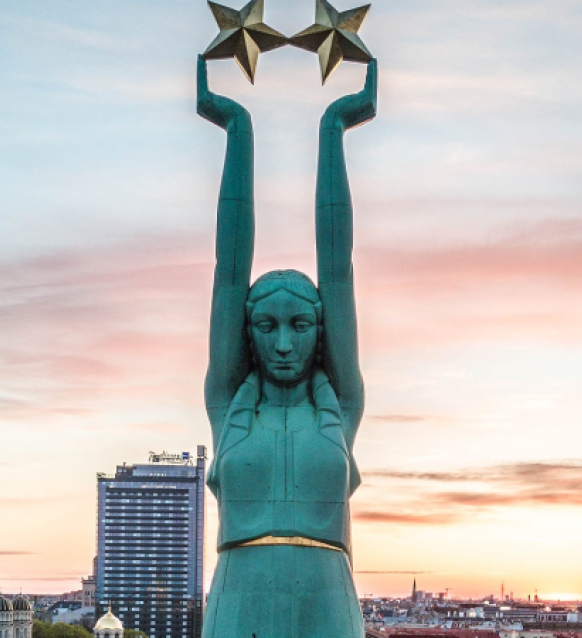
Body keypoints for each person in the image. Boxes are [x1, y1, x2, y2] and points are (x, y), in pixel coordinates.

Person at [197, 53, 377, 638]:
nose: (281, 343)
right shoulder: (228, 407)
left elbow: (339, 270)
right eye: (265, 326)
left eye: (300, 326)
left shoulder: (341, 405)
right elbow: (228, 271)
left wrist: (334, 127)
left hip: (327, 599)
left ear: (321, 333)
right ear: (245, 333)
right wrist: (236, 128)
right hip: (238, 596)